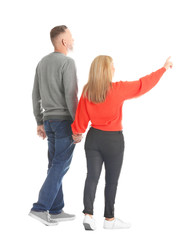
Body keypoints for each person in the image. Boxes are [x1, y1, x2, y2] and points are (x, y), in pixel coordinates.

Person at [71, 55, 173, 230]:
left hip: (93, 138)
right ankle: (109, 220)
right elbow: (143, 84)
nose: (114, 69)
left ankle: (88, 216)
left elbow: (81, 118)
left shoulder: (88, 91)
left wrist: (76, 133)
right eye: (112, 66)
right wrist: (163, 69)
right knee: (111, 181)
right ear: (105, 70)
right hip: (113, 141)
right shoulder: (118, 89)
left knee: (92, 177)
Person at [29, 25, 78, 226]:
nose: (73, 40)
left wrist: (39, 121)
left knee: (54, 165)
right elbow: (70, 95)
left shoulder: (42, 63)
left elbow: (35, 95)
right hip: (64, 121)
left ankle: (56, 210)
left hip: (49, 121)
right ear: (64, 41)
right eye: (71, 37)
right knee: (60, 165)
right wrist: (77, 124)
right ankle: (40, 207)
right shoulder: (68, 62)